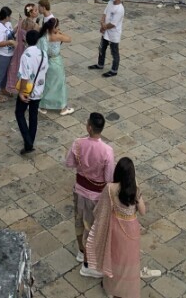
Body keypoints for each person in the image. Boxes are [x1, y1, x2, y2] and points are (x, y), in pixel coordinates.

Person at [84, 156, 146, 295]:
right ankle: (127, 290)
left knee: (114, 259)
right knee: (129, 261)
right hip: (132, 230)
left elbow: (101, 209)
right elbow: (143, 211)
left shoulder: (110, 188)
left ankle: (112, 288)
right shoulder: (134, 190)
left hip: (116, 229)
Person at [65, 113, 115, 270]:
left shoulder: (78, 143)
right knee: (94, 225)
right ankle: (91, 254)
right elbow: (108, 177)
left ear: (89, 127)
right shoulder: (107, 150)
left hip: (80, 190)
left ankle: (81, 251)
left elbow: (69, 163)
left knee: (79, 221)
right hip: (97, 195)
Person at [15, 29, 49, 155]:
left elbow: (24, 76)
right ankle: (30, 142)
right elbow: (45, 71)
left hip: (27, 90)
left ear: (26, 40)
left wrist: (21, 92)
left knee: (19, 113)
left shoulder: (26, 55)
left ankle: (28, 141)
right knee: (33, 116)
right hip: (38, 89)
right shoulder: (43, 54)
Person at [37, 18, 75, 116]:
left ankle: (43, 105)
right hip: (56, 62)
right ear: (53, 28)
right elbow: (69, 39)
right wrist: (60, 33)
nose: (58, 28)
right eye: (57, 26)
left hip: (47, 62)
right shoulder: (56, 36)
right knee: (60, 84)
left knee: (48, 84)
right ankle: (62, 107)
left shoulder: (44, 36)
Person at [88, 0, 125, 78]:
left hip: (113, 33)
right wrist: (102, 23)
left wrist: (104, 27)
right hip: (105, 31)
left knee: (114, 52)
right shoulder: (110, 3)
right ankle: (100, 64)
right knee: (101, 48)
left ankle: (114, 70)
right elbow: (105, 13)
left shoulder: (120, 9)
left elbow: (113, 24)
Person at [5, 2, 40, 96]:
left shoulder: (21, 22)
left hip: (18, 48)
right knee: (27, 69)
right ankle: (26, 89)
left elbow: (13, 32)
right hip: (28, 50)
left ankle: (12, 87)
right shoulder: (35, 26)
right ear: (31, 13)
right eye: (36, 10)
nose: (37, 12)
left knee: (15, 67)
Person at [0, 6, 15, 103]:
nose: (11, 18)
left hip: (9, 53)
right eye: (10, 16)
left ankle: (3, 89)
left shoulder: (8, 24)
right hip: (1, 55)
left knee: (6, 73)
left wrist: (17, 27)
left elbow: (11, 33)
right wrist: (10, 42)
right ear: (7, 16)